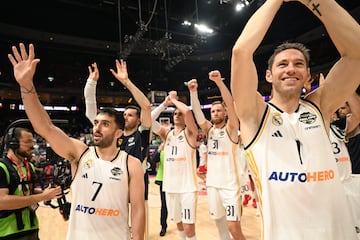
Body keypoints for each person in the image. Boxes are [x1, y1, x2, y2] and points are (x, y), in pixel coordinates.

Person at [230, 0, 360, 239]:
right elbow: (241, 52)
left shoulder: (320, 106)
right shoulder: (254, 114)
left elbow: (356, 53)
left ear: (308, 75)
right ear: (268, 75)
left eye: (299, 64)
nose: (291, 68)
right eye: (282, 64)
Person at [8, 43, 145, 240]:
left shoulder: (132, 164)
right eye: (96, 122)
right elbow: (44, 127)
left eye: (105, 124)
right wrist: (26, 86)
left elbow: (138, 209)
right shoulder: (80, 153)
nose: (96, 128)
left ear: (118, 133)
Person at [84, 60, 152, 238]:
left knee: (138, 229)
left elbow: (146, 106)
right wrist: (91, 85)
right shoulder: (114, 135)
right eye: (124, 114)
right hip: (113, 181)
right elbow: (92, 114)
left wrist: (127, 82)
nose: (126, 117)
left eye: (130, 115)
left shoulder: (142, 134)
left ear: (138, 120)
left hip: (137, 182)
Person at [188, 71, 245, 240]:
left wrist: (219, 83)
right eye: (213, 111)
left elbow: (230, 104)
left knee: (234, 228)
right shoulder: (209, 130)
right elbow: (198, 115)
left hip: (231, 187)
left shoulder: (232, 129)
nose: (215, 113)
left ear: (225, 113)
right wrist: (193, 92)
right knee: (220, 226)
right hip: (213, 185)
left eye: (219, 110)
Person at [151, 91, 199, 240]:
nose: (177, 115)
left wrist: (174, 100)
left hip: (187, 188)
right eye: (175, 113)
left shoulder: (190, 133)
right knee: (178, 224)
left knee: (189, 227)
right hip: (170, 187)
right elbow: (149, 119)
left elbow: (187, 111)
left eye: (179, 114)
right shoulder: (167, 134)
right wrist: (164, 104)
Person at [0, 127, 62, 239]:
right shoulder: (1, 168)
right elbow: (2, 202)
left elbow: (26, 190)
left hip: (31, 228)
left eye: (32, 141)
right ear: (13, 143)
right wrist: (42, 197)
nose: (32, 145)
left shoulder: (29, 167)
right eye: (28, 142)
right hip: (8, 232)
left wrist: (47, 193)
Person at [149, 142, 168, 237]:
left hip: (176, 181)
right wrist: (160, 149)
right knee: (164, 205)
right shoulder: (162, 150)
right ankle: (163, 227)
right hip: (163, 180)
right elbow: (154, 160)